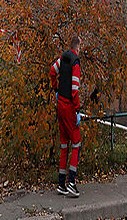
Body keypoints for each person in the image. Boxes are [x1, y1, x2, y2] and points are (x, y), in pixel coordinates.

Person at [49, 35, 83, 197]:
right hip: (69, 106)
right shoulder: (75, 62)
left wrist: (56, 89)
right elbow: (75, 89)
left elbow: (52, 71)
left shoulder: (62, 58)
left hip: (60, 104)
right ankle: (71, 182)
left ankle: (61, 183)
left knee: (64, 145)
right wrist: (77, 110)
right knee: (76, 143)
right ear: (77, 47)